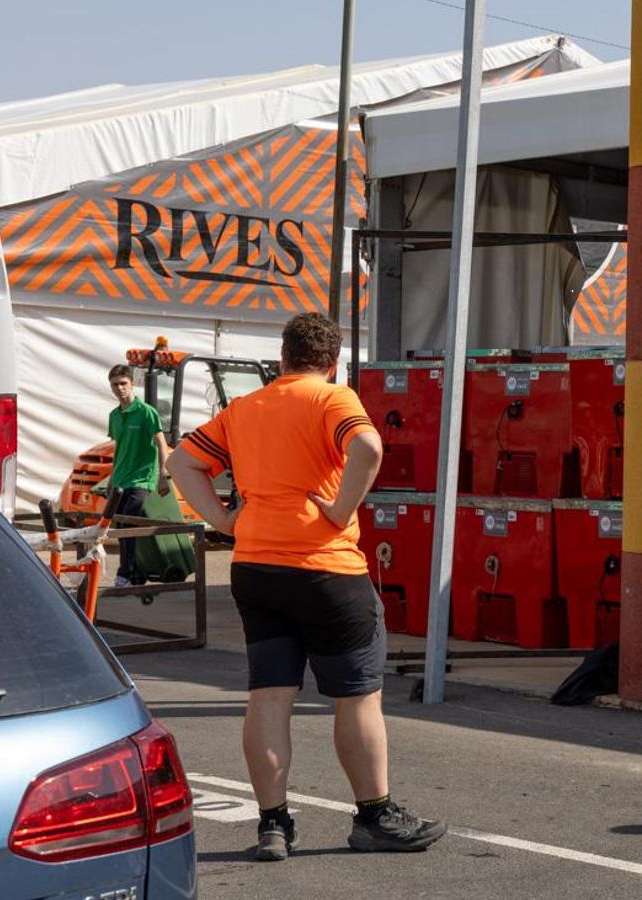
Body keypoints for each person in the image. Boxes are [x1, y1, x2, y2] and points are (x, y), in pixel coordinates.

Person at [166, 313, 444, 861]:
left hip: (257, 569)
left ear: (282, 357)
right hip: (326, 570)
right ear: (333, 361)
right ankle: (374, 816)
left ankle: (273, 825)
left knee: (269, 694)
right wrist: (341, 510)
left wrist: (224, 522)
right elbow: (368, 448)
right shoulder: (333, 399)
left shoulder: (245, 407)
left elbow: (181, 461)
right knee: (358, 698)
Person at [106, 364, 170, 586]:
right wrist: (111, 478)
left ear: (132, 384)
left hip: (142, 478)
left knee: (128, 525)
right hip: (121, 478)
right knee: (119, 525)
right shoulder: (114, 416)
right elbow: (118, 448)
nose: (119, 388)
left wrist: (163, 474)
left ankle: (125, 572)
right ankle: (135, 573)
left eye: (123, 383)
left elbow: (162, 443)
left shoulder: (146, 412)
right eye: (115, 385)